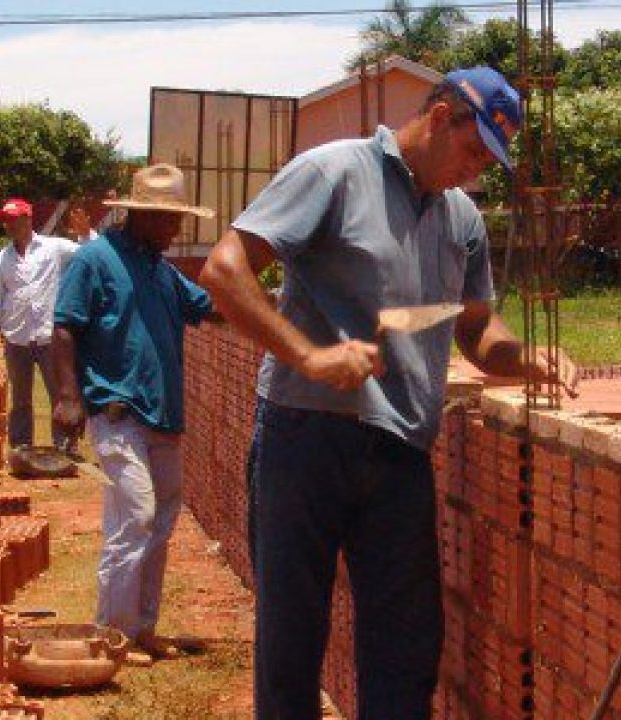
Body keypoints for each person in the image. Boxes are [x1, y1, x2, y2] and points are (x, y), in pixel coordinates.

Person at [200, 66, 577, 718]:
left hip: (400, 450)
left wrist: (526, 358)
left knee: (406, 650)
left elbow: (477, 333)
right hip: (305, 437)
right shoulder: (334, 173)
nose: (475, 168)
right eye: (473, 149)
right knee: (291, 642)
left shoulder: (462, 218)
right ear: (439, 118)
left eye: (489, 159)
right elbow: (224, 270)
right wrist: (308, 355)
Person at [50, 163, 214, 666]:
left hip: (163, 415)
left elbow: (211, 307)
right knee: (136, 517)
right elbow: (64, 328)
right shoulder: (95, 259)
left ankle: (144, 629)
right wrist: (67, 396)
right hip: (118, 412)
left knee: (161, 523)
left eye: (177, 220)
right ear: (140, 214)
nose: (175, 230)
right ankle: (113, 633)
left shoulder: (162, 272)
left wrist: (282, 307)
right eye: (167, 220)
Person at [0, 199, 80, 451]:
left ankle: (65, 443)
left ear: (28, 219)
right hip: (17, 338)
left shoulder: (53, 248)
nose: (9, 225)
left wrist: (86, 232)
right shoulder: (2, 259)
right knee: (21, 398)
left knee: (59, 393)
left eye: (13, 219)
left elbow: (87, 254)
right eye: (6, 220)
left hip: (50, 337)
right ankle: (21, 445)